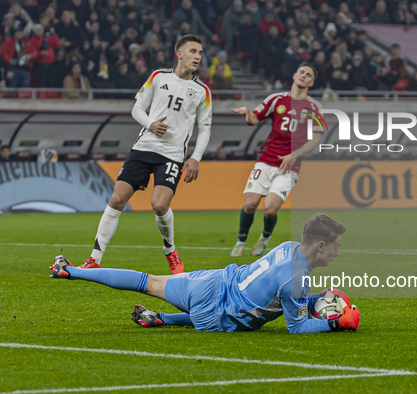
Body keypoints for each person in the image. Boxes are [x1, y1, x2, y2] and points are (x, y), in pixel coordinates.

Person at [50, 213, 360, 333]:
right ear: (320, 245)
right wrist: (336, 323)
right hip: (216, 311)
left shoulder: (290, 246)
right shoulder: (298, 279)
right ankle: (164, 319)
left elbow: (278, 289)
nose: (337, 252)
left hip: (214, 281)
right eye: (335, 246)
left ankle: (71, 271)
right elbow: (297, 327)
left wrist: (318, 296)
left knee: (148, 281)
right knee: (221, 318)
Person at [79, 35, 213, 274]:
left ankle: (171, 252)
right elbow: (137, 108)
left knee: (160, 205)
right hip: (143, 148)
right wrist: (151, 124)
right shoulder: (158, 77)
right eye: (193, 51)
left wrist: (196, 157)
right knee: (117, 199)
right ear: (179, 53)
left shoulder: (202, 91)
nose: (198, 56)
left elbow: (205, 128)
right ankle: (94, 258)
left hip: (172, 155)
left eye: (200, 53)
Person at [229, 63, 323, 257]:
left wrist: (293, 155)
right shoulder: (276, 99)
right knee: (249, 205)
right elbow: (254, 118)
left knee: (270, 209)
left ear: (311, 82)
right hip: (266, 159)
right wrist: (247, 114)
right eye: (302, 73)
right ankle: (241, 241)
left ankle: (264, 238)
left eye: (308, 75)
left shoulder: (314, 107)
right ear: (295, 75)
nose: (304, 76)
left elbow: (315, 140)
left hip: (290, 165)